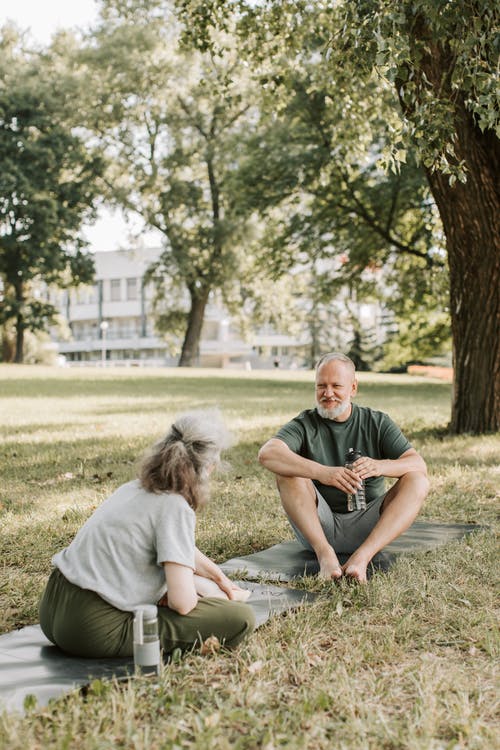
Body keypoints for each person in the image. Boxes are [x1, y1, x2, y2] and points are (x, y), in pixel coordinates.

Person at [39, 410, 255, 659]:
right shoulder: (174, 506)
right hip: (90, 630)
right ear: (210, 467)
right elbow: (182, 603)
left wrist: (218, 577)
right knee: (240, 618)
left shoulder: (133, 489)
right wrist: (208, 596)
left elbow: (176, 546)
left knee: (199, 586)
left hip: (51, 609)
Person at [258, 352, 430, 583]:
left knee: (417, 480)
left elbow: (418, 464)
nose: (328, 394)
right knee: (289, 472)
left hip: (369, 527)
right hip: (318, 528)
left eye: (336, 386)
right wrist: (323, 473)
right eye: (321, 386)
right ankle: (326, 556)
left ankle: (362, 558)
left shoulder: (376, 422)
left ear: (353, 388)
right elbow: (268, 454)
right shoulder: (305, 423)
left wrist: (380, 466)